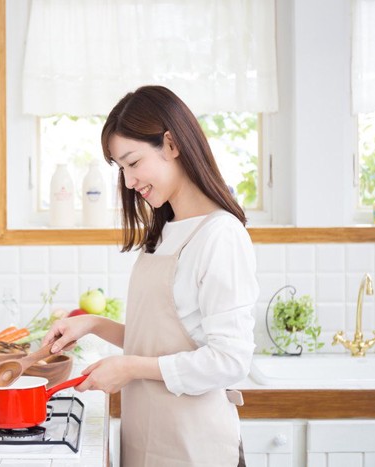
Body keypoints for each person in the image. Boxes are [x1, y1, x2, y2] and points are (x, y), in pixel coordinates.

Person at [42, 85, 258, 466]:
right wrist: (93, 324)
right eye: (120, 168)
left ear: (171, 144)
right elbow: (164, 343)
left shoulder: (220, 235)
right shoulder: (165, 231)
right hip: (147, 443)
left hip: (196, 449)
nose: (127, 182)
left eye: (133, 162)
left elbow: (229, 360)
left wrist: (127, 368)